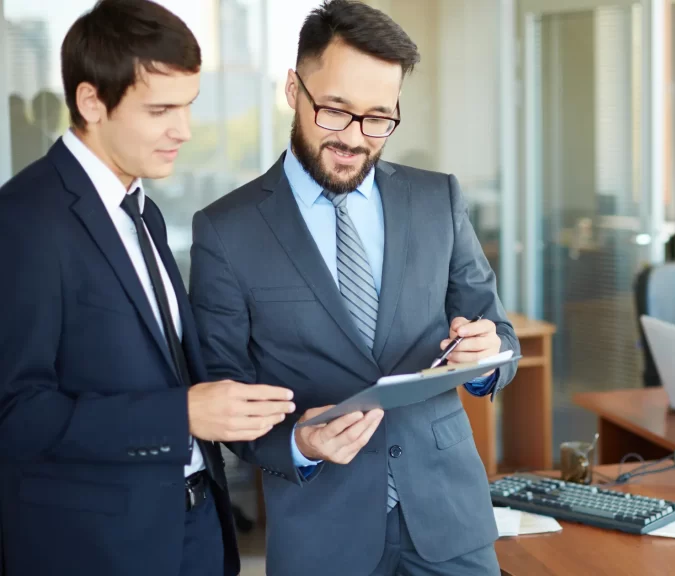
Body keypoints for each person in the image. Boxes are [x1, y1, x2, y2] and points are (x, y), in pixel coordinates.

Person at [187, 2, 520, 575]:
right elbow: (224, 396)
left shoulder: (436, 198)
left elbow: (500, 335)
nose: (355, 139)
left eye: (378, 119)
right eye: (336, 111)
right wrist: (299, 444)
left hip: (449, 522)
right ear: (293, 89)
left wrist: (487, 357)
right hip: (322, 531)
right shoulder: (225, 230)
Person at [0, 2, 296, 575]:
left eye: (187, 107)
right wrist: (178, 415)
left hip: (194, 532)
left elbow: (168, 370)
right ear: (91, 103)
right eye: (161, 109)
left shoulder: (143, 212)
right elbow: (15, 413)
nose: (182, 130)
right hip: (96, 550)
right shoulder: (23, 222)